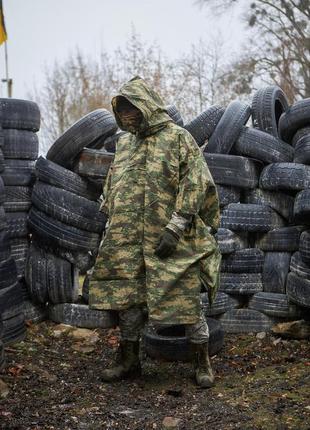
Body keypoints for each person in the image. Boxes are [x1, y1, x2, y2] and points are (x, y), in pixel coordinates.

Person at [89, 76, 221, 388]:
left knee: (186, 300)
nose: (126, 116)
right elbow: (114, 187)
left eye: (131, 108)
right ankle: (129, 359)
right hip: (129, 242)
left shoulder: (178, 138)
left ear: (146, 105)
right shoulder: (124, 145)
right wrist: (111, 225)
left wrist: (175, 228)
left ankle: (201, 361)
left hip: (172, 240)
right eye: (121, 111)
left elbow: (196, 182)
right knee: (130, 301)